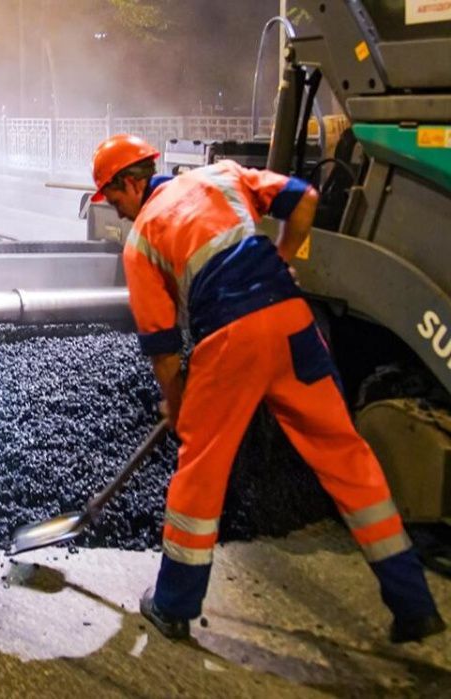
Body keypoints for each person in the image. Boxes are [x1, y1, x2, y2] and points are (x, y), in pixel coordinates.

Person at [93, 134, 445, 644]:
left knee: (201, 469)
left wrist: (177, 402)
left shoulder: (144, 236)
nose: (118, 211)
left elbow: (163, 347)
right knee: (346, 456)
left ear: (132, 181)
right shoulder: (220, 175)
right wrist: (282, 257)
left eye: (115, 197)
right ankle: (414, 604)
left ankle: (172, 604)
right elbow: (303, 197)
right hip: (293, 325)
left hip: (233, 340)